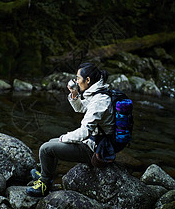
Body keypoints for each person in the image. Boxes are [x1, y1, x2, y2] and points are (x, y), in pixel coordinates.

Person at [26, 62, 115, 197]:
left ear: (88, 80)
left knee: (46, 148)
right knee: (51, 142)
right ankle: (46, 175)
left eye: (78, 78)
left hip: (95, 149)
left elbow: (84, 132)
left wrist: (64, 137)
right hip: (94, 142)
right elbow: (81, 108)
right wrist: (74, 94)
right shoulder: (97, 94)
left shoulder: (100, 101)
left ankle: (44, 185)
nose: (76, 81)